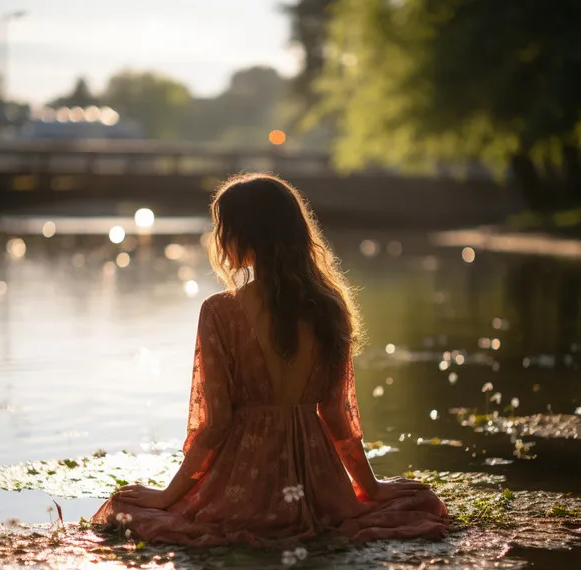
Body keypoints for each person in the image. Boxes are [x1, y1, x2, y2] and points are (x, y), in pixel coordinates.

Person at [91, 173, 448, 544]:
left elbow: (215, 424)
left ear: (243, 235)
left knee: (125, 504)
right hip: (318, 488)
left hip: (244, 484)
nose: (218, 238)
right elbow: (336, 414)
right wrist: (370, 488)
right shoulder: (330, 307)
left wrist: (168, 495)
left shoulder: (219, 311)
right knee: (418, 499)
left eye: (222, 227)